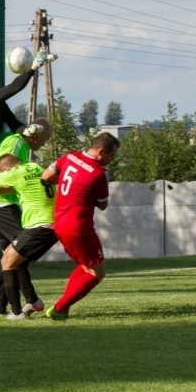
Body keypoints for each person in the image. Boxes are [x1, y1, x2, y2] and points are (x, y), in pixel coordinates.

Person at [0, 51, 57, 272]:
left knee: (4, 200)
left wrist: (28, 130)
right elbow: (15, 87)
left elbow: (14, 124)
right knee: (4, 197)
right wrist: (33, 68)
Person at [0, 153, 58, 320]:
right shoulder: (34, 167)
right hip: (52, 225)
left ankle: (16, 312)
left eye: (1, 174)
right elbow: (11, 188)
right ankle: (31, 301)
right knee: (12, 259)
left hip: (39, 226)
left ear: (6, 169)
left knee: (8, 261)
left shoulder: (15, 173)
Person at [0, 118, 52, 315]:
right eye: (45, 138)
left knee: (12, 256)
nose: (44, 143)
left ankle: (4, 301)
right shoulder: (17, 143)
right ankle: (22, 298)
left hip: (0, 204)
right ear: (36, 134)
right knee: (17, 255)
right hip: (3, 205)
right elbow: (8, 177)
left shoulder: (17, 143)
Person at [41, 132, 120, 320]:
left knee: (86, 268)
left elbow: (46, 176)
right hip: (79, 227)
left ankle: (64, 309)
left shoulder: (70, 156)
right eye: (111, 155)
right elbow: (102, 205)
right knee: (97, 273)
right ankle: (59, 308)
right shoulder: (99, 173)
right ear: (101, 152)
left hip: (60, 224)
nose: (112, 160)